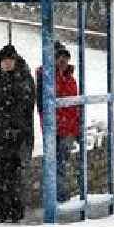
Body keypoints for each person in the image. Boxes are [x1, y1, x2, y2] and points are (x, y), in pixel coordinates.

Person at [0, 44, 35, 222]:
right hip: (3, 137)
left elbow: (24, 107)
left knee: (16, 175)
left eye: (10, 60)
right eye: (4, 60)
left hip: (20, 136)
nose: (7, 63)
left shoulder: (23, 79)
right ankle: (4, 210)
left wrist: (14, 127)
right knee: (3, 174)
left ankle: (15, 211)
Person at [35, 41, 80, 202]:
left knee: (59, 164)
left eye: (65, 58)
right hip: (54, 128)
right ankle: (56, 197)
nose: (62, 61)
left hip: (67, 129)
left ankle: (58, 196)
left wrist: (77, 128)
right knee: (55, 164)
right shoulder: (46, 77)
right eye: (59, 58)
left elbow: (75, 105)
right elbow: (42, 106)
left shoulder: (69, 79)